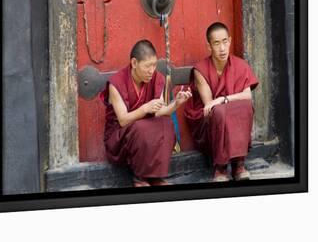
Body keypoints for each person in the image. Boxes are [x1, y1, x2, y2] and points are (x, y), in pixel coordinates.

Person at [99, 39, 192, 188]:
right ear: (134, 63)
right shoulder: (116, 83)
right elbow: (123, 120)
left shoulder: (157, 79)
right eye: (147, 66)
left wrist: (176, 104)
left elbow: (159, 112)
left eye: (154, 65)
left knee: (166, 124)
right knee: (141, 128)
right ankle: (140, 178)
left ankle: (157, 176)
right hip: (119, 137)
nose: (151, 71)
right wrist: (145, 109)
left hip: (144, 128)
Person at [184, 22, 259, 182]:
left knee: (245, 107)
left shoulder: (240, 65)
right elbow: (209, 105)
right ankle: (221, 167)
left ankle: (239, 164)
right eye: (217, 43)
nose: (222, 48)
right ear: (209, 46)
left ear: (230, 40)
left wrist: (224, 99)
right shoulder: (200, 70)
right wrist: (220, 102)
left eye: (225, 41)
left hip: (230, 114)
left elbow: (247, 96)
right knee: (219, 111)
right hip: (210, 122)